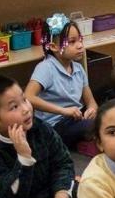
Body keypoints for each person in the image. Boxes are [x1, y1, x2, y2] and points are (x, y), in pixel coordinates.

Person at [25, 18, 99, 152]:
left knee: (109, 113)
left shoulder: (78, 68)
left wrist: (91, 110)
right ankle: (84, 145)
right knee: (94, 126)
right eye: (72, 42)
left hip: (75, 119)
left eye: (80, 39)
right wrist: (63, 111)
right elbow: (28, 97)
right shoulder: (46, 68)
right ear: (54, 46)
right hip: (55, 126)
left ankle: (85, 143)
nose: (80, 45)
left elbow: (91, 102)